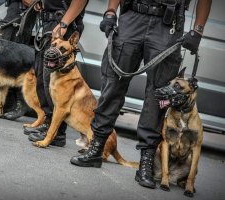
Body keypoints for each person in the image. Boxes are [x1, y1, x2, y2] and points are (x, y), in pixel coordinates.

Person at [70, 0, 211, 189]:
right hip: (132, 17)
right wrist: (111, 11)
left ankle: (146, 162)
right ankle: (96, 147)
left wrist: (198, 29)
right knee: (112, 86)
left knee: (158, 96)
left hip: (167, 23)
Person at [23, 0, 88, 147]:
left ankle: (57, 133)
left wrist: (64, 23)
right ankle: (48, 122)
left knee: (56, 85)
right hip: (50, 21)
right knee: (42, 75)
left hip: (64, 23)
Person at [0, 0, 37, 120]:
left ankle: (21, 105)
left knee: (16, 65)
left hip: (22, 15)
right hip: (13, 11)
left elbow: (32, 2)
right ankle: (3, 105)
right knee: (2, 65)